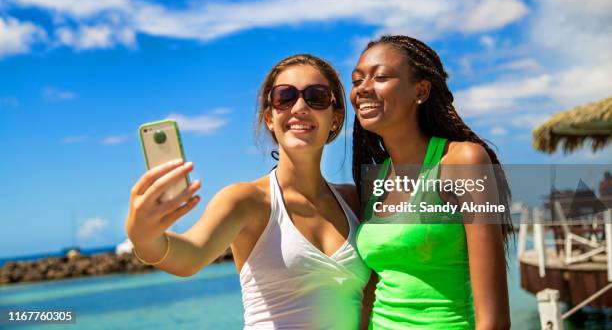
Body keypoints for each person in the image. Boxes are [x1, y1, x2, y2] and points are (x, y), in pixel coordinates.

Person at [125, 54, 370, 329]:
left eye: (317, 96)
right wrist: (143, 236)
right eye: (285, 97)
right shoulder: (247, 201)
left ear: (335, 118)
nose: (300, 107)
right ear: (269, 117)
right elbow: (189, 257)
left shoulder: (354, 200)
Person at [351, 35, 512, 329]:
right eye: (357, 80)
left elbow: (495, 319)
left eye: (381, 77)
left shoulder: (463, 161)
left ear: (421, 90)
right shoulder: (376, 179)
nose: (362, 89)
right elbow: (371, 295)